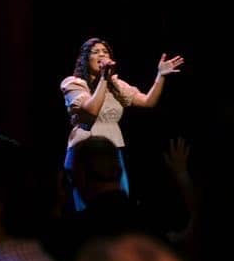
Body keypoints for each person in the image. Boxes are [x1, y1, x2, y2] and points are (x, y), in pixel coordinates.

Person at [60, 38, 183, 209]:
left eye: (105, 52)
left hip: (114, 150)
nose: (102, 54)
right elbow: (92, 110)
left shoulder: (116, 84)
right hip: (85, 150)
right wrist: (104, 78)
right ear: (85, 59)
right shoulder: (74, 83)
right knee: (87, 205)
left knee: (116, 203)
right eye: (95, 52)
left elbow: (148, 102)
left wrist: (160, 75)